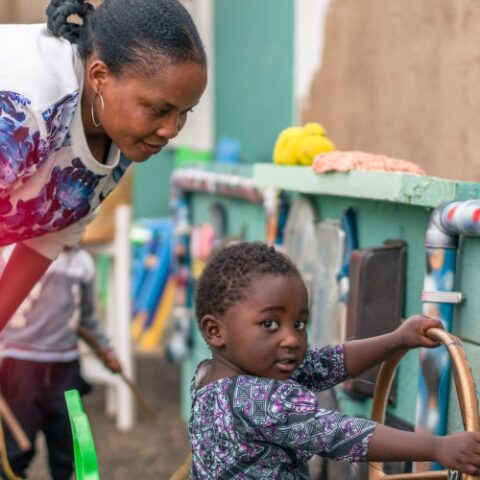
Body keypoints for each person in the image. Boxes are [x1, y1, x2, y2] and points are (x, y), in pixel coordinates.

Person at [189, 241, 480, 479]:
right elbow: (339, 434)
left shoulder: (210, 378)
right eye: (270, 324)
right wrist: (436, 446)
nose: (292, 339)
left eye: (300, 324)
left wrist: (397, 340)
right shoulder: (257, 400)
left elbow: (327, 362)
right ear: (215, 331)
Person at [0, 0, 208, 332]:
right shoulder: (27, 108)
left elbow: (46, 238)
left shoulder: (121, 139)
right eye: (158, 109)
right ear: (100, 76)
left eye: (185, 112)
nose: (171, 129)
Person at [0, 245, 122, 480]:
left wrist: (107, 350)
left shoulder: (82, 261)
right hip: (21, 366)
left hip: (66, 367)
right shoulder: (13, 254)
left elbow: (86, 317)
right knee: (15, 450)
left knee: (67, 444)